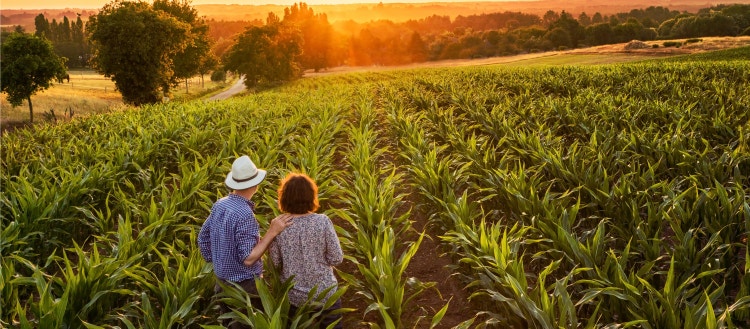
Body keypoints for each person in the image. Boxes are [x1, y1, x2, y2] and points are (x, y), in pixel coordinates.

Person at [198, 155, 292, 328]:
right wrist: (272, 231)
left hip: (221, 282)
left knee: (227, 323)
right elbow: (248, 258)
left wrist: (219, 261)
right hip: (244, 287)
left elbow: (202, 238)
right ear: (255, 185)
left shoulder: (220, 204)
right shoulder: (245, 214)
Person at [269, 173, 344, 329]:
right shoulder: (322, 222)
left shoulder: (280, 225)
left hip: (295, 297)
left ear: (284, 198)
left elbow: (275, 263)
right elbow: (337, 258)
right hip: (325, 292)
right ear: (312, 196)